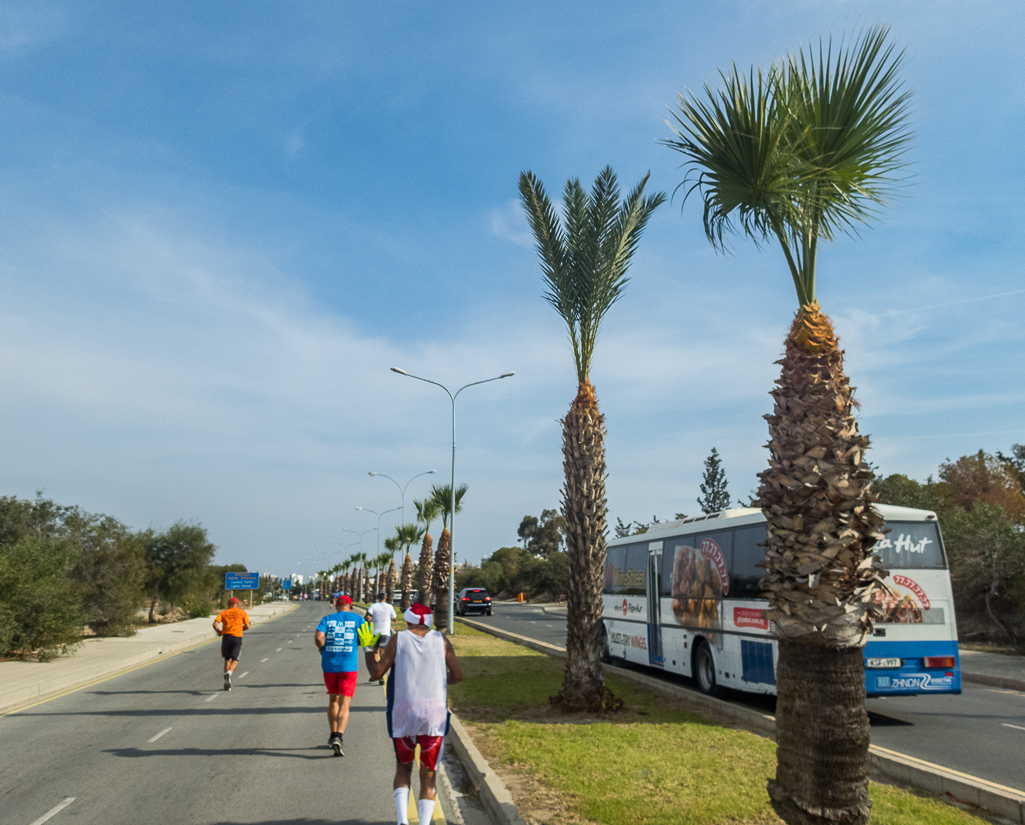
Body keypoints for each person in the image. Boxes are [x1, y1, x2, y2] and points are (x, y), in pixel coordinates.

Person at [359, 603, 463, 825]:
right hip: (434, 717)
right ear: (429, 621)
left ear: (408, 621)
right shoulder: (442, 641)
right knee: (429, 775)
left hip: (403, 715)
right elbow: (457, 675)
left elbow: (377, 673)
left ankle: (402, 821)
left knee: (403, 767)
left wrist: (368, 648)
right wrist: (439, 681)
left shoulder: (399, 639)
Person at [315, 594, 366, 756]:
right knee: (345, 703)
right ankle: (338, 736)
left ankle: (332, 733)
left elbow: (318, 637)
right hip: (349, 667)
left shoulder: (328, 619)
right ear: (350, 606)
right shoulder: (358, 620)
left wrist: (322, 649)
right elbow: (367, 639)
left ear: (337, 605)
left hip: (329, 665)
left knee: (333, 699)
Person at [212, 597, 250, 691]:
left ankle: (226, 681)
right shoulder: (242, 613)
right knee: (235, 658)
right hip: (237, 637)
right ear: (237, 604)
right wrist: (241, 629)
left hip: (226, 637)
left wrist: (219, 631)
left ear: (229, 604)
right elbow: (247, 626)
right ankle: (229, 673)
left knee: (227, 659)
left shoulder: (224, 613)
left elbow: (214, 624)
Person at [364, 591, 397, 684]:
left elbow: (367, 616)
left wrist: (369, 621)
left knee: (375, 653)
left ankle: (377, 673)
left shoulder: (373, 606)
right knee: (384, 655)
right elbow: (394, 619)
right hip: (385, 633)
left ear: (377, 598)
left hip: (374, 634)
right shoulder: (390, 607)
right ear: (385, 598)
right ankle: (384, 674)